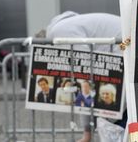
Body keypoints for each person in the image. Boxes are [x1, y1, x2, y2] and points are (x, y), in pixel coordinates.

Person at [46, 11, 122, 142]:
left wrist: (87, 135)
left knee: (114, 108)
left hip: (124, 45)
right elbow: (86, 86)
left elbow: (84, 78)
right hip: (126, 41)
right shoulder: (70, 26)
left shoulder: (60, 34)